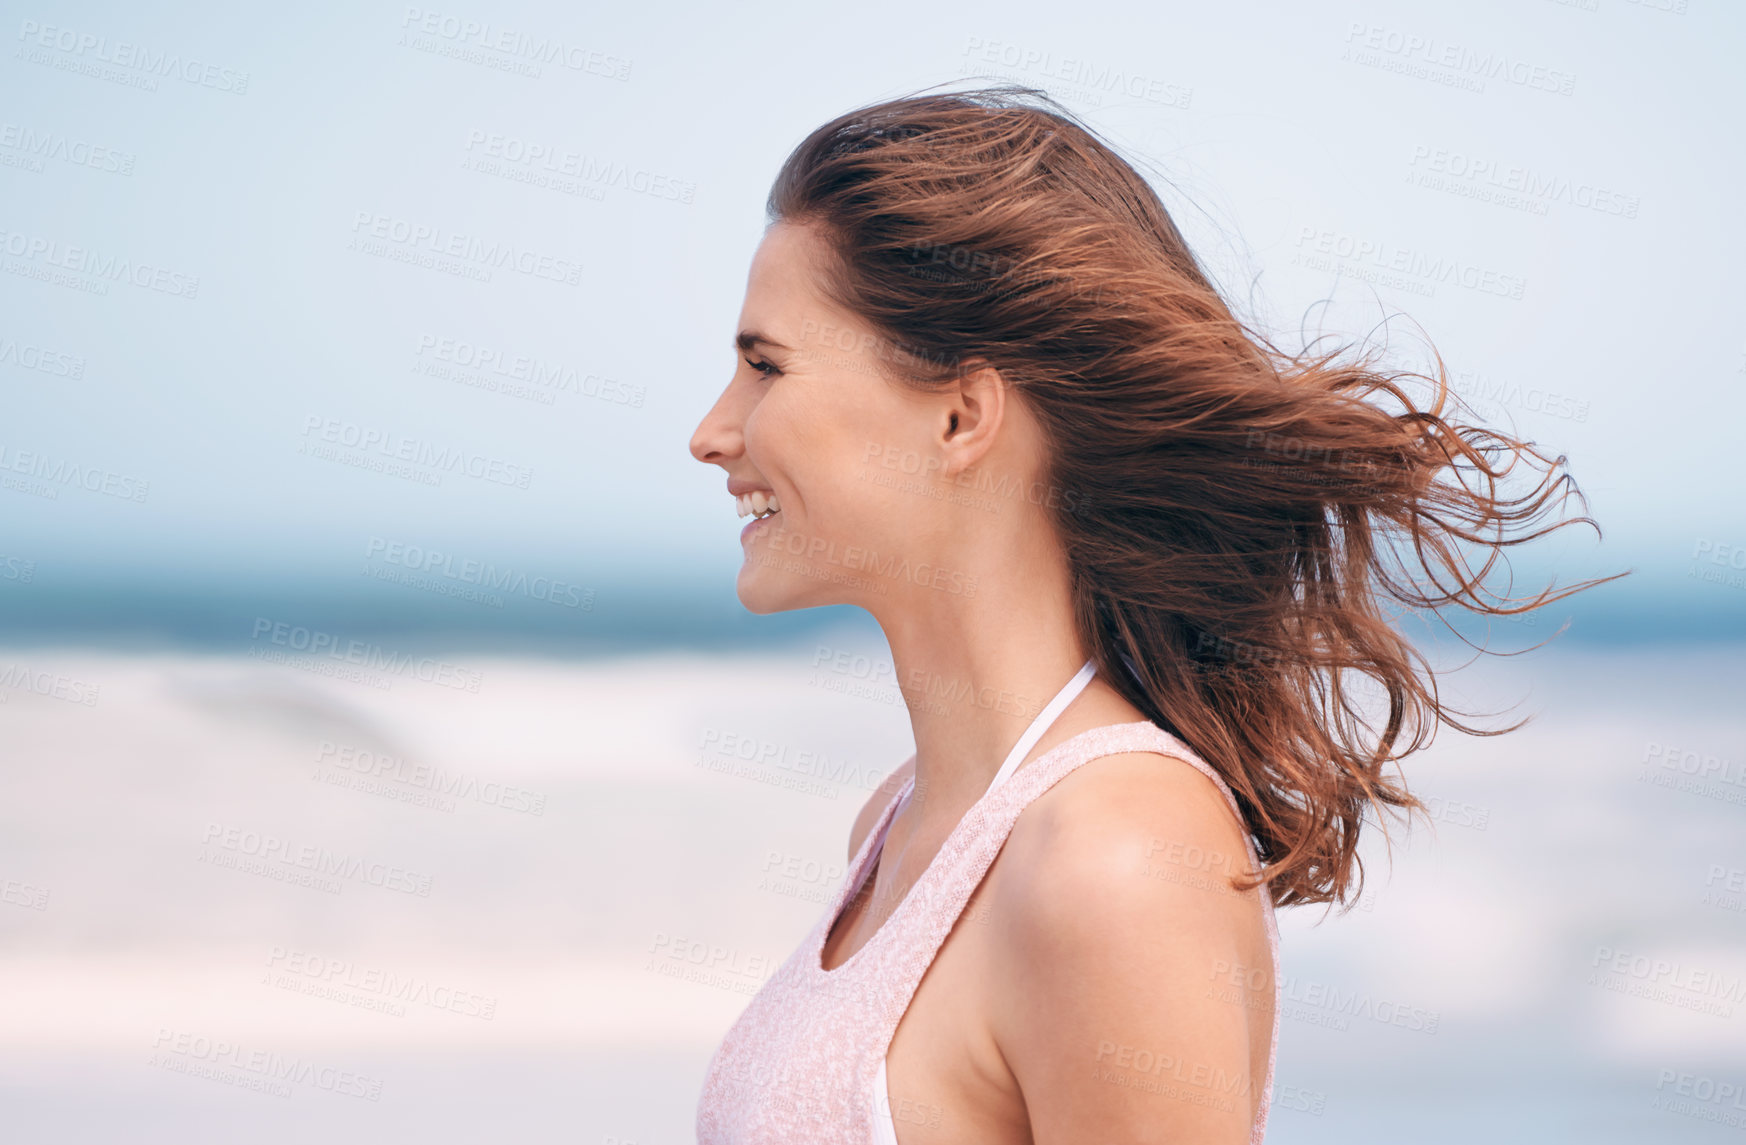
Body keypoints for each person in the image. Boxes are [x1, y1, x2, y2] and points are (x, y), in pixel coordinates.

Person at [686, 85, 1613, 1144]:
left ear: (959, 414)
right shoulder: (902, 823)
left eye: (765, 366)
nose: (713, 431)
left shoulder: (1110, 856)